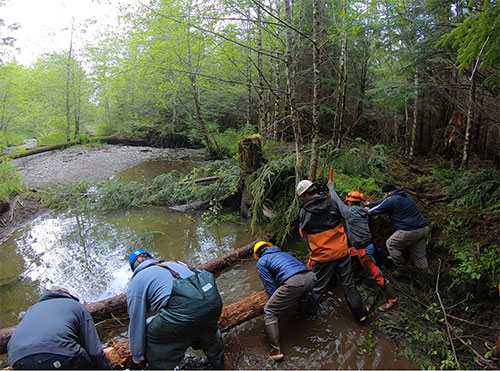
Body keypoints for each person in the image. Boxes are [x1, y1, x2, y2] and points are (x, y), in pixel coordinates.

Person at [126, 249, 224, 370]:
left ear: (134, 268)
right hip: (212, 302)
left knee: (152, 339)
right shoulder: (175, 263)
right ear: (151, 258)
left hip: (183, 312)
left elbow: (136, 322)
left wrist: (137, 357)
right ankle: (220, 364)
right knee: (210, 335)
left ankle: (162, 365)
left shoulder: (136, 281)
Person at [297, 180, 368, 322]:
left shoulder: (305, 211)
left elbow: (303, 234)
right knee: (348, 283)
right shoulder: (332, 202)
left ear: (305, 196)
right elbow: (342, 218)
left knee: (317, 287)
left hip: (323, 256)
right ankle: (360, 314)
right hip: (342, 251)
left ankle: (309, 316)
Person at [327, 181, 397, 311]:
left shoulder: (349, 213)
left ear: (348, 203)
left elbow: (336, 200)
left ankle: (392, 299)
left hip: (364, 250)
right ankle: (356, 276)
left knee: (377, 275)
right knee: (347, 253)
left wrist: (331, 188)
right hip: (366, 245)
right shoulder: (363, 212)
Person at [7, 287, 111, 370]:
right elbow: (94, 351)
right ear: (68, 295)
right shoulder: (76, 306)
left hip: (18, 360)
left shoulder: (31, 310)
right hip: (59, 355)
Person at [253, 241, 316, 361]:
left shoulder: (261, 262)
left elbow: (270, 285)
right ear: (269, 247)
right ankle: (302, 317)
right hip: (311, 277)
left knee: (269, 311)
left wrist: (276, 304)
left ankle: (275, 350)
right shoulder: (283, 253)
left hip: (295, 282)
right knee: (302, 295)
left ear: (258, 255)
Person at [367, 184, 429, 285]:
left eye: (384, 194)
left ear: (389, 193)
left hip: (409, 231)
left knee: (391, 244)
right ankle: (423, 281)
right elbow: (384, 202)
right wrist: (371, 204)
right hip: (423, 229)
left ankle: (403, 270)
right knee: (420, 257)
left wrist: (366, 210)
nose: (384, 196)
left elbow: (374, 211)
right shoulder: (405, 196)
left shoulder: (392, 200)